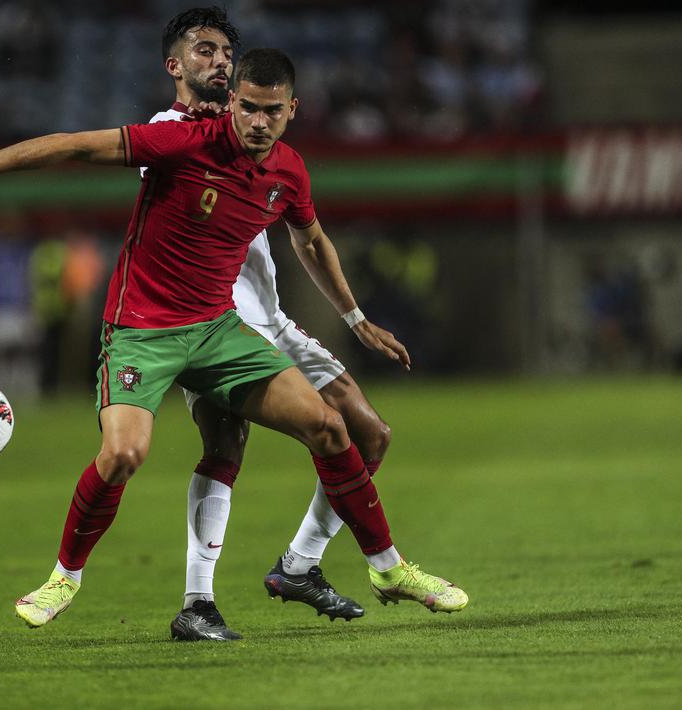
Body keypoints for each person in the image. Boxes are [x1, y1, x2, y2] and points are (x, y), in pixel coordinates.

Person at [0, 48, 470, 636]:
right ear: (232, 102)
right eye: (248, 107)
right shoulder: (183, 144)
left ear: (292, 111)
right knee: (124, 454)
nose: (257, 122)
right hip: (142, 331)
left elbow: (312, 239)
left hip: (217, 331)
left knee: (331, 427)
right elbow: (74, 144)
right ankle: (64, 578)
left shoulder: (289, 172)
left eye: (271, 112)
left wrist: (355, 318)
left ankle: (387, 568)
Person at [152, 8, 415, 641]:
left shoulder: (253, 131)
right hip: (214, 322)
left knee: (369, 434)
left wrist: (353, 316)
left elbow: (308, 234)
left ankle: (298, 565)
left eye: (226, 52)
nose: (218, 61)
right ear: (176, 66)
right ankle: (198, 602)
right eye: (205, 51)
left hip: (271, 316)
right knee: (227, 445)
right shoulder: (168, 130)